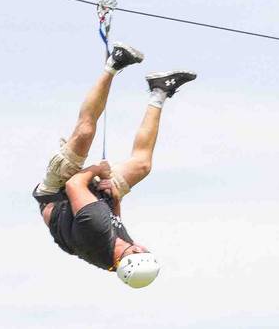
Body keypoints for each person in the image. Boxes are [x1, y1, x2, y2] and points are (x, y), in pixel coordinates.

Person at [32, 43, 196, 287]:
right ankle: (160, 91)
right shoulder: (118, 260)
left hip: (57, 192)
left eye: (140, 251)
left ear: (128, 256)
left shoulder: (96, 230)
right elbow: (115, 224)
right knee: (141, 165)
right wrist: (116, 199)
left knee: (85, 132)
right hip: (86, 202)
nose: (141, 246)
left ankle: (114, 63)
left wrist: (99, 170)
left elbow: (75, 183)